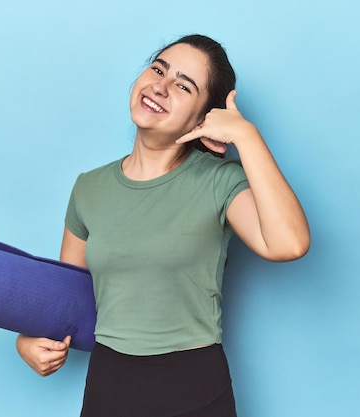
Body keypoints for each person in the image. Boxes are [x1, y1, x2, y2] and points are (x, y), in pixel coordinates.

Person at [16, 34, 310, 416]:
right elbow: (68, 300)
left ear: (205, 117)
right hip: (108, 385)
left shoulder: (219, 181)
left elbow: (289, 243)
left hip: (194, 388)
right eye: (158, 69)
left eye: (183, 86)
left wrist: (245, 135)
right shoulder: (89, 187)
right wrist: (28, 340)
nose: (160, 86)